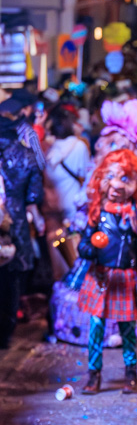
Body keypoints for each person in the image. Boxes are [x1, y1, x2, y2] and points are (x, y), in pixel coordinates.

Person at [72, 149, 137, 395]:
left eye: (125, 179)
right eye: (112, 177)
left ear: (135, 184)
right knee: (96, 326)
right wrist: (90, 249)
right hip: (101, 277)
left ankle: (131, 373)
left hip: (125, 278)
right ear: (102, 180)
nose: (117, 185)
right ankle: (94, 374)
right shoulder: (97, 214)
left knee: (127, 328)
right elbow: (83, 244)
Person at [0, 114, 44, 348]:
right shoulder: (28, 155)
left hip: (3, 218)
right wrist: (37, 221)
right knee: (13, 277)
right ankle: (7, 329)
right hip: (16, 219)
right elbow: (34, 197)